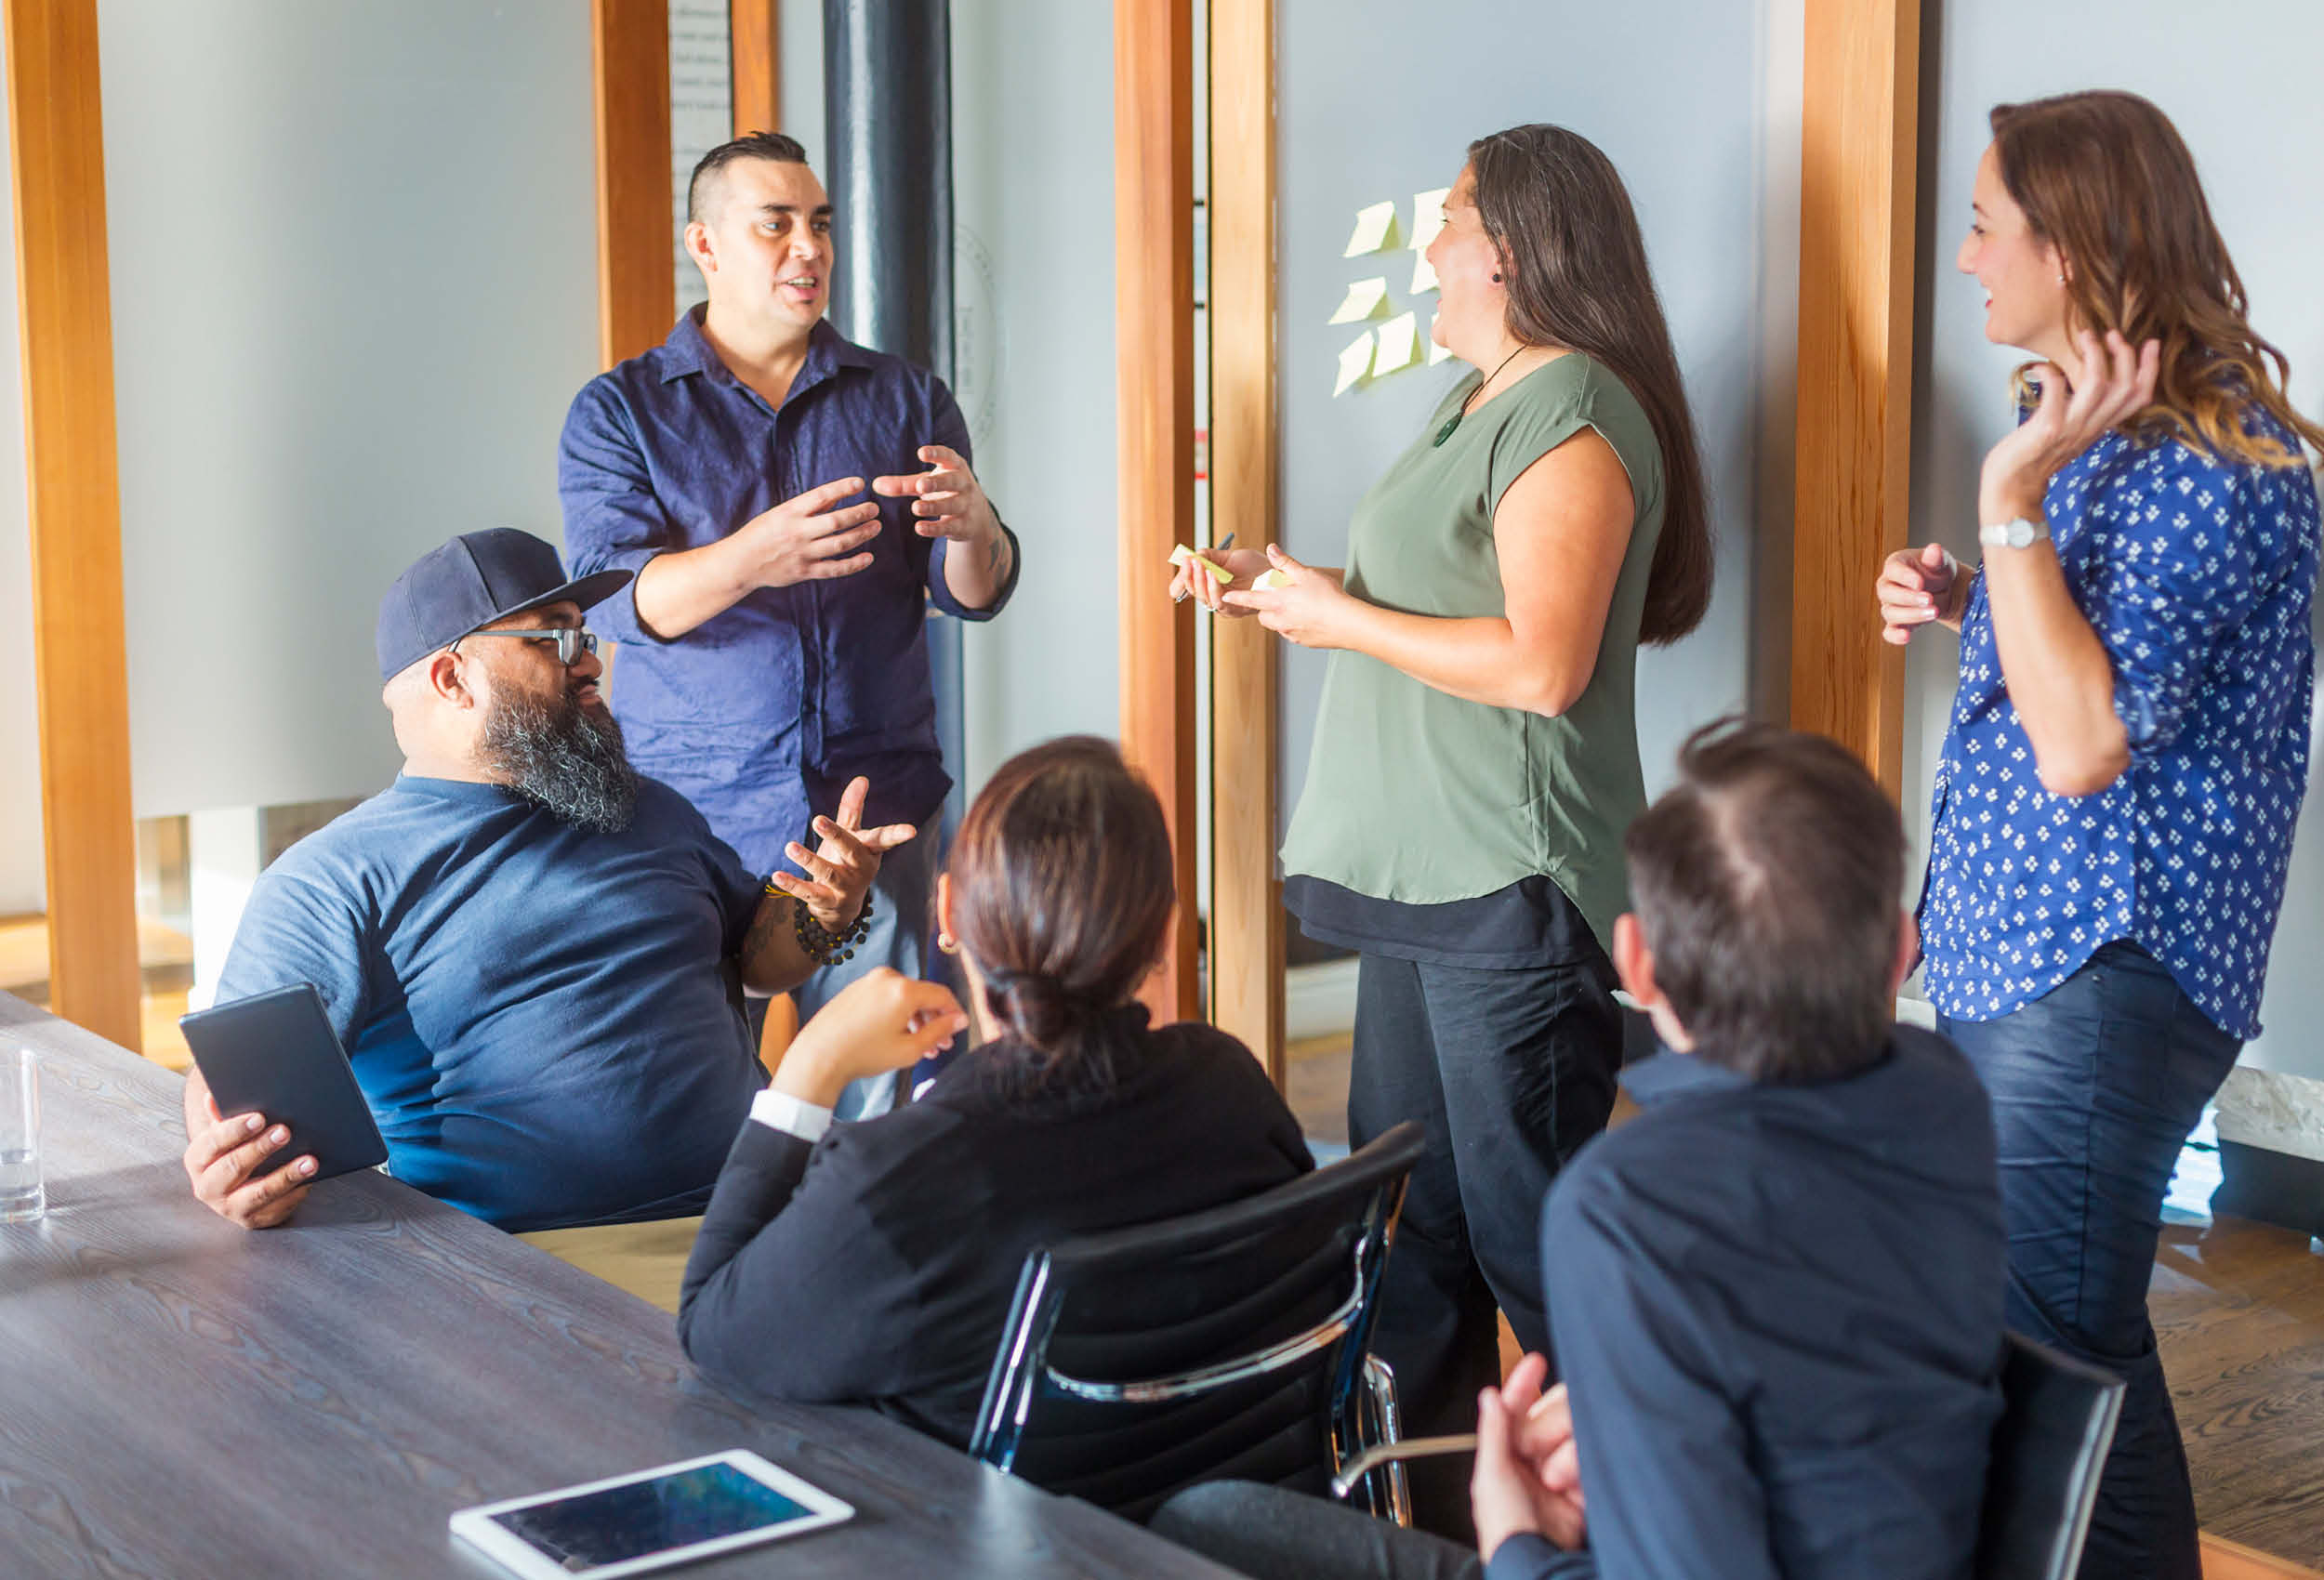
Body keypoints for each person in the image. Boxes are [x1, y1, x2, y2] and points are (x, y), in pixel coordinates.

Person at [1173, 123, 1711, 1534]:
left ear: (1513, 246)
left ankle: (1653, 1542)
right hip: (1420, 889)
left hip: (1510, 886)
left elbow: (1542, 663)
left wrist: (1335, 617)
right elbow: (1428, 599)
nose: (1427, 242)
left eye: (1449, 216)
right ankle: (1435, 1546)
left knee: (1542, 1253)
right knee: (1412, 1252)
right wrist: (1282, 581)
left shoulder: (1578, 404)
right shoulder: (1476, 398)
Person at [1150, 720, 2008, 1580]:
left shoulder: (1627, 1204)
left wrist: (1516, 1534)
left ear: (1636, 962)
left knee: (1206, 1518)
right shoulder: (1949, 1097)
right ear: (1902, 948)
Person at [1875, 91, 2323, 1580]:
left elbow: (2084, 748)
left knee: (2062, 1355)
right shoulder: (2084, 428)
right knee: (2046, 1341)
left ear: (2075, 245)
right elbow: (2101, 667)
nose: (1966, 258)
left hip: (2106, 966)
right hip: (2037, 951)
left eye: (1989, 224)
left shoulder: (2218, 460)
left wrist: (2009, 510)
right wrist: (1974, 595)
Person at [178, 529, 907, 1233]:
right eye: (552, 638)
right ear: (452, 678)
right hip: (524, 1266)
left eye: (586, 637)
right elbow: (231, 1094)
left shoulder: (649, 808)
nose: (589, 662)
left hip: (756, 1211)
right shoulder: (333, 880)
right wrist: (233, 1165)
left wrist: (823, 906)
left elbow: (757, 965)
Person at [560, 130, 1021, 1118]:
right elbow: (617, 602)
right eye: (775, 224)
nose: (806, 248)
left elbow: (969, 591)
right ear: (707, 244)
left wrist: (981, 528)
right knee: (695, 1121)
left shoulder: (905, 398)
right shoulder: (620, 412)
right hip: (693, 823)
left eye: (817, 224)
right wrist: (751, 557)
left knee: (886, 1119)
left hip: (878, 815)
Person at [676, 736, 1313, 1449]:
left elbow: (713, 1331)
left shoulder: (898, 1181)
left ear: (946, 914)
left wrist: (810, 1067)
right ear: (1165, 928)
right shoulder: (1233, 1089)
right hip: (1243, 1502)